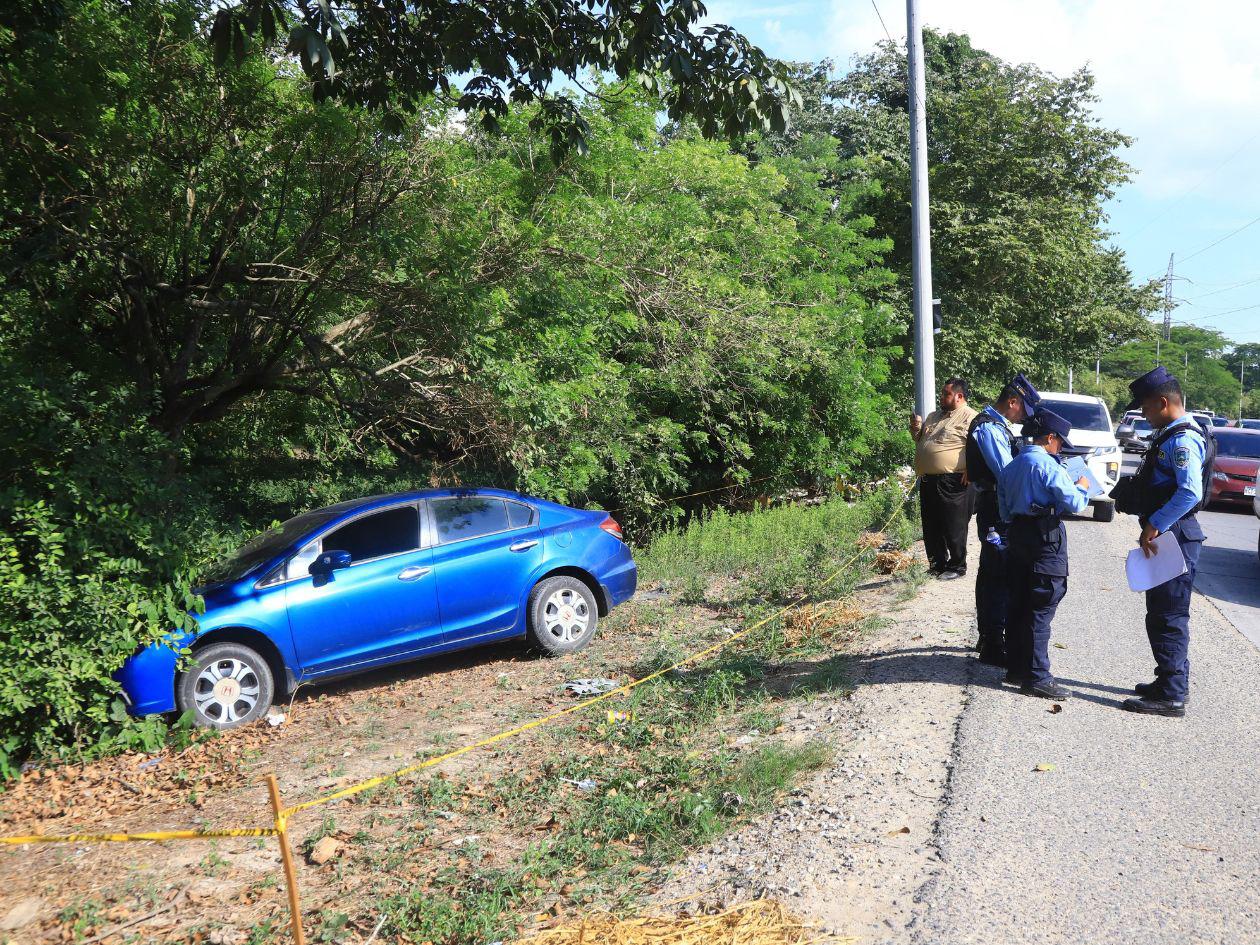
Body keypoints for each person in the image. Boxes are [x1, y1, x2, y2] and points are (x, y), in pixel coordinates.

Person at [1119, 367, 1211, 718]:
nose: (1143, 414)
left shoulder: (1182, 439)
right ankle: (1167, 681)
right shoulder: (1172, 434)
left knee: (1169, 616)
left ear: (1161, 402)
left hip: (1175, 537)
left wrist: (1154, 525)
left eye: (1145, 407)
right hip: (1171, 536)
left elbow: (1190, 491)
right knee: (1160, 614)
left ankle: (1172, 695)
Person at [998, 408, 1091, 700]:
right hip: (1044, 537)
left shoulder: (1011, 466)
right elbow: (1075, 503)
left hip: (1017, 535)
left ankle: (1016, 668)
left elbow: (1003, 509)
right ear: (1049, 438)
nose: (1061, 447)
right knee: (1042, 603)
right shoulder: (1049, 467)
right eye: (1060, 442)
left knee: (1019, 603)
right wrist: (1083, 486)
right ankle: (1038, 676)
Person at [964, 374, 1041, 666]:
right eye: (1023, 411)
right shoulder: (988, 428)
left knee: (993, 573)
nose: (1024, 418)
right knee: (998, 576)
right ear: (1012, 402)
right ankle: (994, 643)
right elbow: (1006, 474)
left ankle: (990, 637)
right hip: (996, 508)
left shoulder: (997, 426)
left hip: (997, 505)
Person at [910, 378, 977, 580]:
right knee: (931, 525)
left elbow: (981, 446)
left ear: (959, 396)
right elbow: (920, 440)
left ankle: (957, 566)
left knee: (953, 525)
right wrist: (915, 428)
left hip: (954, 481)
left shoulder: (971, 417)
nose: (941, 397)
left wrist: (973, 469)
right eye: (942, 393)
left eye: (946, 394)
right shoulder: (934, 416)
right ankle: (937, 563)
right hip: (929, 480)